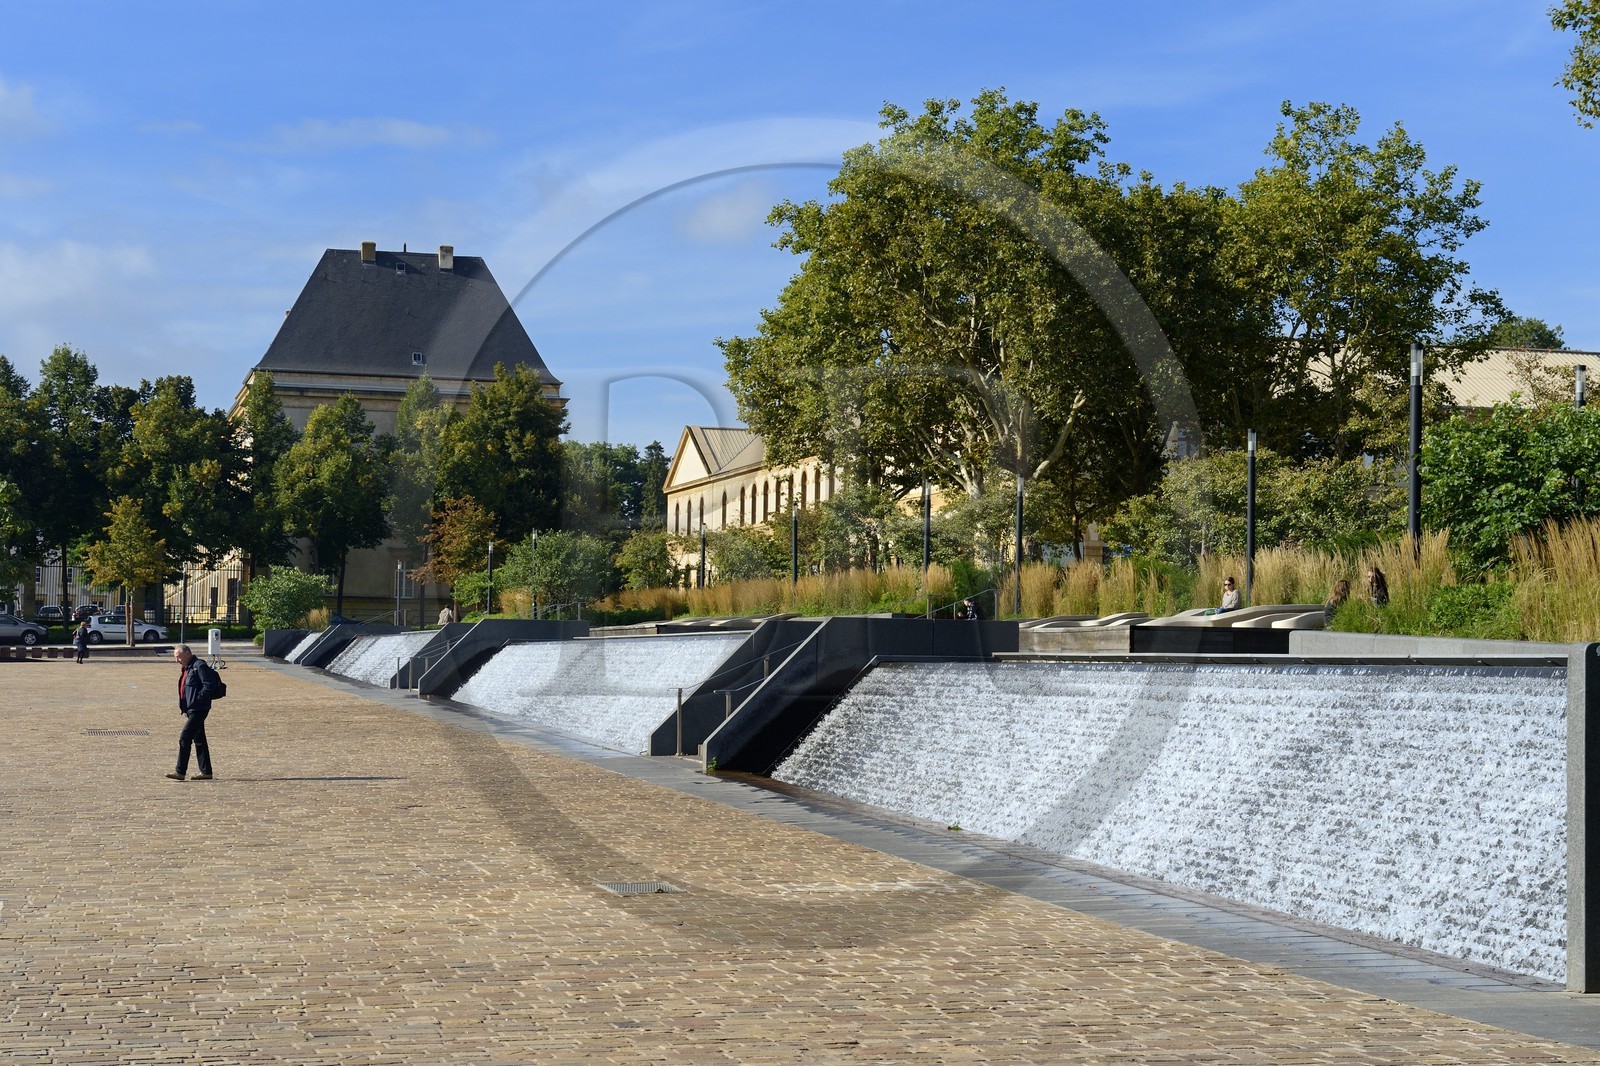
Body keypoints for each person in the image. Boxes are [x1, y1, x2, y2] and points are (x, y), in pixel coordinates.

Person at [167, 644, 220, 782]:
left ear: (187, 654)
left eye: (178, 657)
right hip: (191, 710)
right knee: (199, 739)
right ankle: (206, 772)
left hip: (199, 709)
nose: (177, 660)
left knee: (185, 737)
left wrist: (197, 701)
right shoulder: (186, 668)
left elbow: (209, 685)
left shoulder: (199, 665)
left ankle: (180, 771)